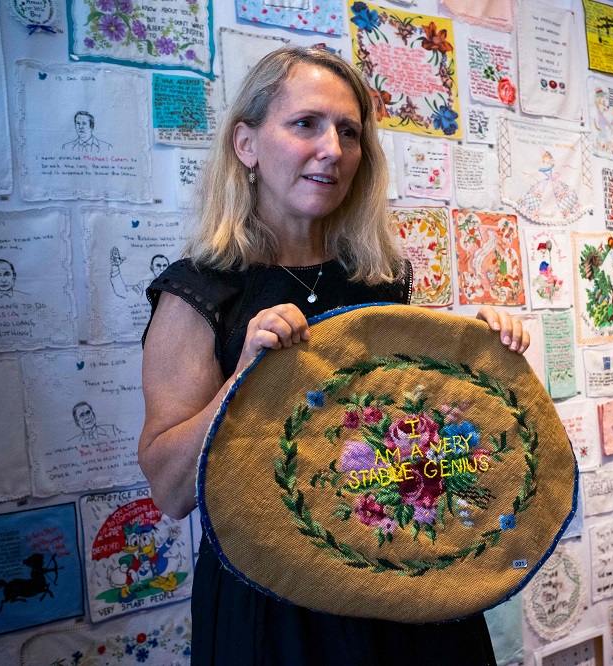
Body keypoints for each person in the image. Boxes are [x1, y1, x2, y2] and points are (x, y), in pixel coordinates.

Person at [138, 46, 530, 665]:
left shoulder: (381, 281)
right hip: (278, 611)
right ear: (246, 144)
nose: (333, 149)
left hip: (403, 583)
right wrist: (243, 381)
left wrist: (474, 368)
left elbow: (409, 443)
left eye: (349, 132)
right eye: (306, 124)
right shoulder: (201, 291)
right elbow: (170, 491)